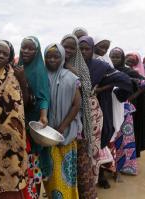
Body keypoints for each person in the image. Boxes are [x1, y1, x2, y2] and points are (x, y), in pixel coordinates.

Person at [79, 36, 133, 189]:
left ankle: (97, 177)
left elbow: (123, 80)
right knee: (81, 148)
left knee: (97, 144)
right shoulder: (70, 64)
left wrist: (101, 89)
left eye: (86, 48)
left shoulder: (101, 65)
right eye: (80, 48)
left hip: (98, 108)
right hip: (76, 113)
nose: (103, 50)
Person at [0, 40, 28, 199]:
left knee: (12, 171)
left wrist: (23, 80)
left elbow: (26, 101)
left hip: (13, 136)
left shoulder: (15, 73)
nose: (1, 55)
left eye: (5, 53)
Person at [61, 34, 99, 199]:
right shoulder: (53, 60)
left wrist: (71, 72)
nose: (68, 50)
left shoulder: (80, 67)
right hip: (57, 120)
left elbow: (86, 92)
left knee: (80, 163)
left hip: (78, 121)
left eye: (72, 47)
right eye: (66, 46)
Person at [43, 43, 80, 199]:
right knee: (50, 175)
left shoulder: (71, 77)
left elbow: (76, 104)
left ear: (63, 58)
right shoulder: (41, 76)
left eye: (56, 56)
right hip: (44, 135)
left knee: (65, 176)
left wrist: (62, 127)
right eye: (48, 56)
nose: (52, 59)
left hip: (65, 134)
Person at [18, 36, 50, 199]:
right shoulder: (18, 66)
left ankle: (35, 195)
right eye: (24, 47)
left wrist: (43, 115)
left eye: (31, 48)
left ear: (37, 52)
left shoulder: (39, 70)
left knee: (34, 163)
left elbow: (44, 96)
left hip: (33, 120)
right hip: (19, 120)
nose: (26, 51)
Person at [110, 47, 145, 176]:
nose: (114, 59)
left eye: (117, 57)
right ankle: (111, 165)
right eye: (112, 56)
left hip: (124, 110)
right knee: (111, 137)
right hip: (108, 108)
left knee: (125, 139)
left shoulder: (128, 72)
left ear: (122, 59)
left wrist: (128, 98)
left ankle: (126, 166)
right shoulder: (106, 70)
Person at [125, 52, 145, 157]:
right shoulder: (121, 70)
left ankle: (134, 151)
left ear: (137, 62)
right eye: (128, 59)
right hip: (123, 104)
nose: (130, 62)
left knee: (134, 127)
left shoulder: (139, 74)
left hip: (136, 106)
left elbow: (144, 90)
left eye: (133, 60)